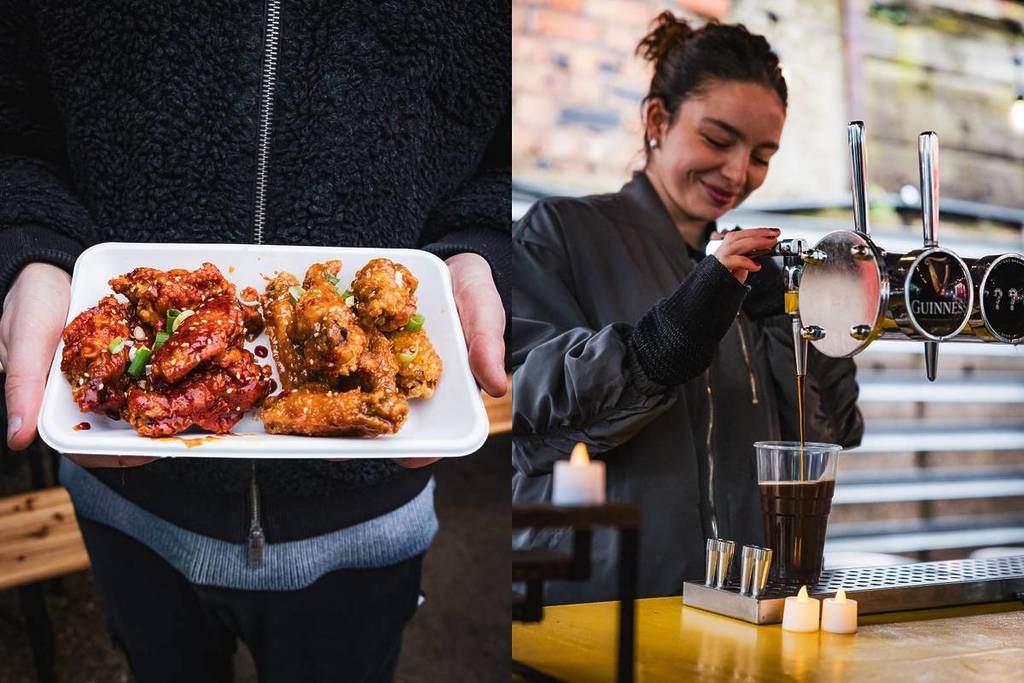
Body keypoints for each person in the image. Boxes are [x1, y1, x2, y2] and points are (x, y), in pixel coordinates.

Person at [0, 2, 509, 681]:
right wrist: (32, 245)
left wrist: (483, 247)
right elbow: (15, 126)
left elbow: (505, 160)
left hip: (365, 527)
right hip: (127, 511)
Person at [511, 13, 863, 604]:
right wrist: (663, 343)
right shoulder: (561, 233)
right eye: (719, 139)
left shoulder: (755, 280)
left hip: (747, 604)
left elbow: (830, 433)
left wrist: (809, 321)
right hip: (603, 604)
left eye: (761, 154)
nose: (738, 172)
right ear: (657, 119)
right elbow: (526, 410)